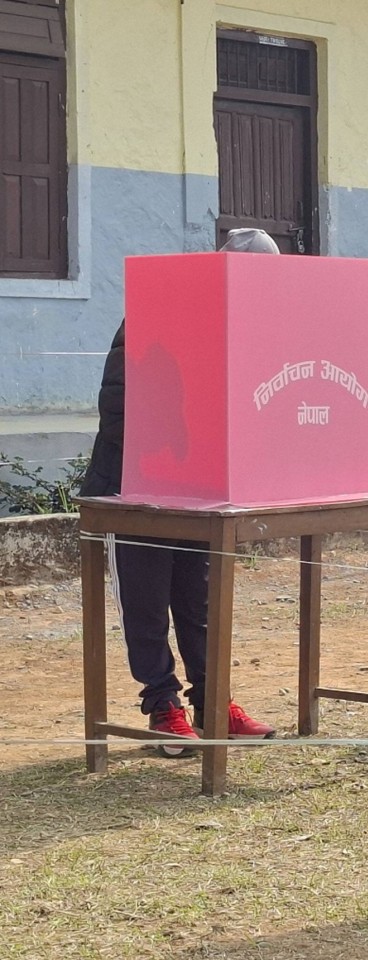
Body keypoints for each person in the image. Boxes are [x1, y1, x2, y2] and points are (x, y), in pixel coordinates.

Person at [80, 227, 280, 757]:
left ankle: (215, 704)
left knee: (200, 602)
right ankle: (163, 707)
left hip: (203, 490)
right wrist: (170, 456)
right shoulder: (155, 312)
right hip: (135, 489)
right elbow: (121, 405)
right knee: (147, 603)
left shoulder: (244, 325)